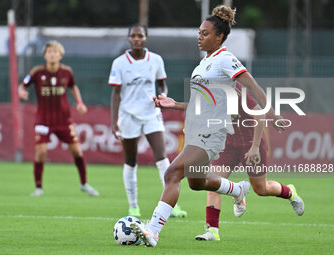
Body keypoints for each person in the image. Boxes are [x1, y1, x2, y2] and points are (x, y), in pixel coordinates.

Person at [129, 5, 303, 248]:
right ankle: (237, 190)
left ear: (219, 36)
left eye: (205, 33)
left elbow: (253, 87)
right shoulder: (203, 65)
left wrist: (272, 115)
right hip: (197, 130)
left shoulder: (226, 59)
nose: (199, 37)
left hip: (212, 134)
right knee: (196, 182)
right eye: (199, 32)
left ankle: (153, 231)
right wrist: (174, 104)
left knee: (172, 174)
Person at [195, 82, 305, 241]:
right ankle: (212, 231)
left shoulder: (236, 90)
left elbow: (259, 114)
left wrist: (254, 147)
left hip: (251, 143)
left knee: (261, 189)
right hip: (228, 145)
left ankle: (290, 192)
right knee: (213, 183)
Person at [108, 24, 187, 218]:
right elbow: (116, 93)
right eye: (133, 36)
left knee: (162, 158)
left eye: (140, 35)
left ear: (146, 38)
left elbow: (162, 84)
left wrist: (163, 96)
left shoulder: (156, 60)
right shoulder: (119, 63)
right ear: (129, 38)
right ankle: (133, 206)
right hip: (128, 116)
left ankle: (171, 206)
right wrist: (114, 120)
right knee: (130, 161)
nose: (136, 39)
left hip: (151, 115)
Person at [18, 40, 99, 197]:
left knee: (76, 151)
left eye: (55, 52)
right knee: (40, 152)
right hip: (43, 120)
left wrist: (80, 103)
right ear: (45, 55)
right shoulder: (37, 72)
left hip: (63, 121)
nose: (52, 54)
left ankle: (84, 184)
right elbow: (22, 85)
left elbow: (73, 87)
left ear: (60, 55)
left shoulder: (67, 72)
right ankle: (38, 188)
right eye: (49, 52)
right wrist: (21, 91)